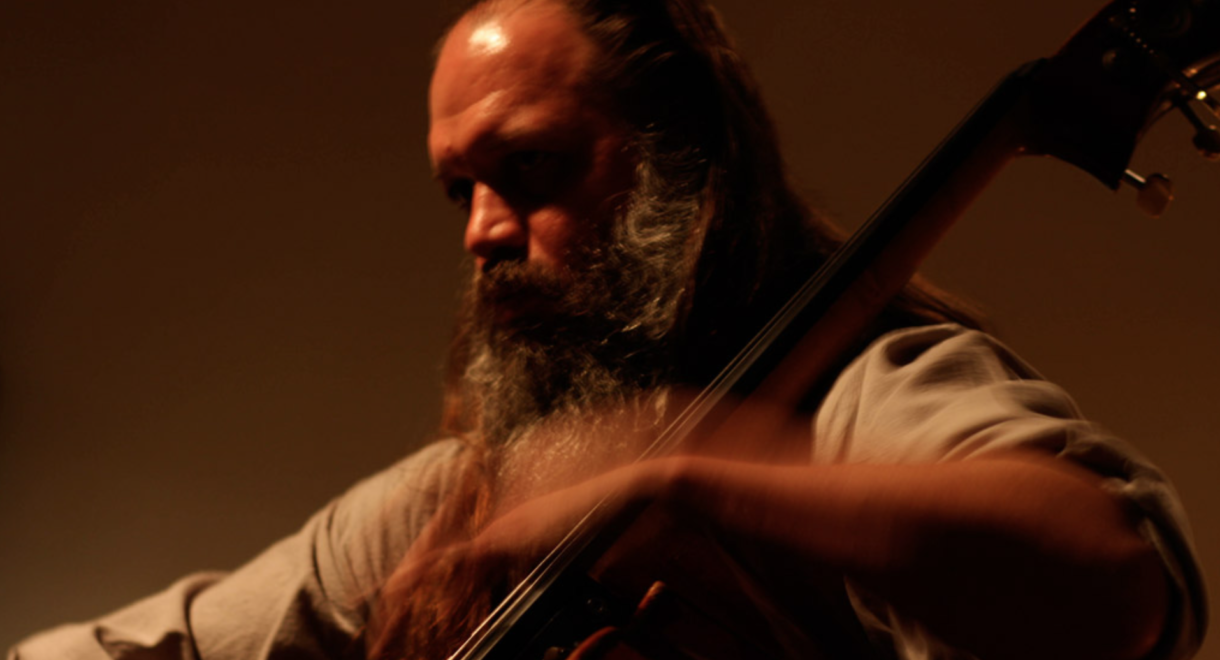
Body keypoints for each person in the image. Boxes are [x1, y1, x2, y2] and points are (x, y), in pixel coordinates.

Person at [9, 0, 1206, 659]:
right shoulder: (461, 503)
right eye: (456, 190)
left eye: (526, 168)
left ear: (683, 164)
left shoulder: (862, 393)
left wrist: (671, 465)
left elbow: (1111, 591)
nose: (480, 231)